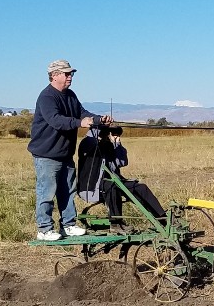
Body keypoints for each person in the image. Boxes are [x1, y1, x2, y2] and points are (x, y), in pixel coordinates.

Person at [28, 59, 113, 241]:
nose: (70, 77)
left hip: (65, 153)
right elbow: (56, 120)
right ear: (54, 75)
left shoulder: (70, 95)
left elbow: (82, 113)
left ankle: (68, 225)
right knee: (47, 192)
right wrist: (80, 123)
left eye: (71, 74)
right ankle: (44, 229)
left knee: (68, 190)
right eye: (67, 74)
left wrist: (99, 120)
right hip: (46, 155)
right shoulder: (47, 97)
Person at [77, 125, 166, 233]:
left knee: (140, 188)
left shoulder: (110, 145)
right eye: (112, 134)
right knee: (111, 186)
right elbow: (93, 145)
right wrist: (102, 134)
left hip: (114, 181)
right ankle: (115, 224)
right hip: (92, 185)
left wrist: (117, 143)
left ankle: (163, 219)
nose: (114, 136)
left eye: (117, 135)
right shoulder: (87, 142)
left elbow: (122, 162)